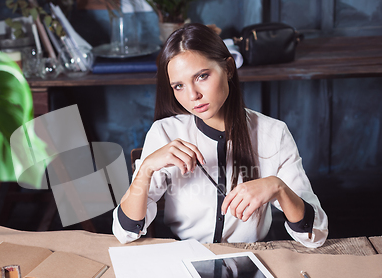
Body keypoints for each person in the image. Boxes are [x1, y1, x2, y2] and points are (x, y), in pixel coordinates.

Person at [112, 23, 328, 248]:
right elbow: (125, 232)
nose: (193, 95)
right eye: (178, 86)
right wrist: (145, 168)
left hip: (251, 260)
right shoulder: (164, 132)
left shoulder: (273, 134)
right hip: (183, 257)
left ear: (229, 68)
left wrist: (278, 187)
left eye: (202, 76)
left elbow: (316, 234)